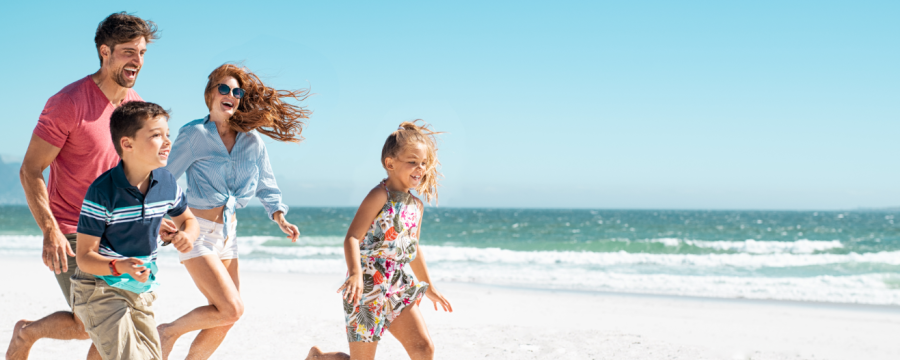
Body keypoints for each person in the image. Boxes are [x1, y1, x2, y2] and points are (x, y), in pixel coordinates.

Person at [7, 12, 160, 360]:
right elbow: (31, 170)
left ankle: (27, 332)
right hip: (75, 231)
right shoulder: (69, 102)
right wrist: (51, 231)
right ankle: (26, 334)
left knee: (103, 323)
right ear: (104, 52)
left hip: (119, 232)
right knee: (94, 322)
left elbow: (130, 171)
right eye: (127, 51)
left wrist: (151, 211)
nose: (137, 60)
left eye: (141, 52)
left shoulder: (136, 106)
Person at [157, 63, 306, 360]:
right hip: (195, 229)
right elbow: (166, 179)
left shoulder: (252, 141)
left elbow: (266, 184)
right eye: (223, 88)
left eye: (236, 91)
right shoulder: (193, 134)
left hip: (229, 235)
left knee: (228, 317)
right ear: (210, 94)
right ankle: (167, 332)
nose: (231, 95)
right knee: (231, 307)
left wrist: (279, 216)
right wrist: (161, 217)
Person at [307, 121, 454, 360]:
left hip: (399, 283)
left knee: (423, 349)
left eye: (424, 163)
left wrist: (430, 286)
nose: (420, 168)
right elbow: (352, 237)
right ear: (390, 164)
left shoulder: (416, 205)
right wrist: (355, 274)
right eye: (413, 161)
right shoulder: (379, 195)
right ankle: (320, 357)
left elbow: (413, 248)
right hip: (367, 285)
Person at [71, 101, 198, 360]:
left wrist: (187, 235)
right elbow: (84, 257)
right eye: (155, 135)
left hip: (140, 287)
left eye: (167, 135)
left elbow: (189, 220)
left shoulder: (166, 182)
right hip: (99, 288)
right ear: (127, 144)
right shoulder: (102, 191)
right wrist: (120, 266)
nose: (167, 142)